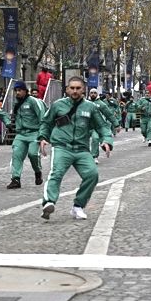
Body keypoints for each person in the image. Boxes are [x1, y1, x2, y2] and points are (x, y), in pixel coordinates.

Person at [38, 76, 113, 220]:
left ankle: (78, 206)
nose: (75, 91)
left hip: (82, 149)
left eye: (78, 88)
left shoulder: (91, 107)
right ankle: (49, 202)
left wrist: (107, 140)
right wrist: (43, 137)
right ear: (67, 89)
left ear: (83, 89)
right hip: (62, 147)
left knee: (92, 175)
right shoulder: (57, 105)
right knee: (56, 174)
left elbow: (102, 126)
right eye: (72, 88)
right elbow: (46, 122)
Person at [7, 81, 45, 189]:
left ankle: (38, 172)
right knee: (16, 155)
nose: (17, 93)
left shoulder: (34, 101)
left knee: (33, 154)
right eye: (16, 91)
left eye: (20, 90)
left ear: (25, 91)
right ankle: (15, 179)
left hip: (34, 133)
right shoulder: (16, 103)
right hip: (20, 134)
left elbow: (42, 118)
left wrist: (42, 134)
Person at [88, 88, 120, 164]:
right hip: (88, 126)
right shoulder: (85, 103)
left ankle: (95, 156)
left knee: (100, 137)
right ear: (89, 94)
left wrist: (116, 124)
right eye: (91, 93)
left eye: (94, 93)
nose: (93, 94)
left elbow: (109, 115)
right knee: (91, 140)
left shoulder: (101, 104)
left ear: (97, 94)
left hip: (99, 126)